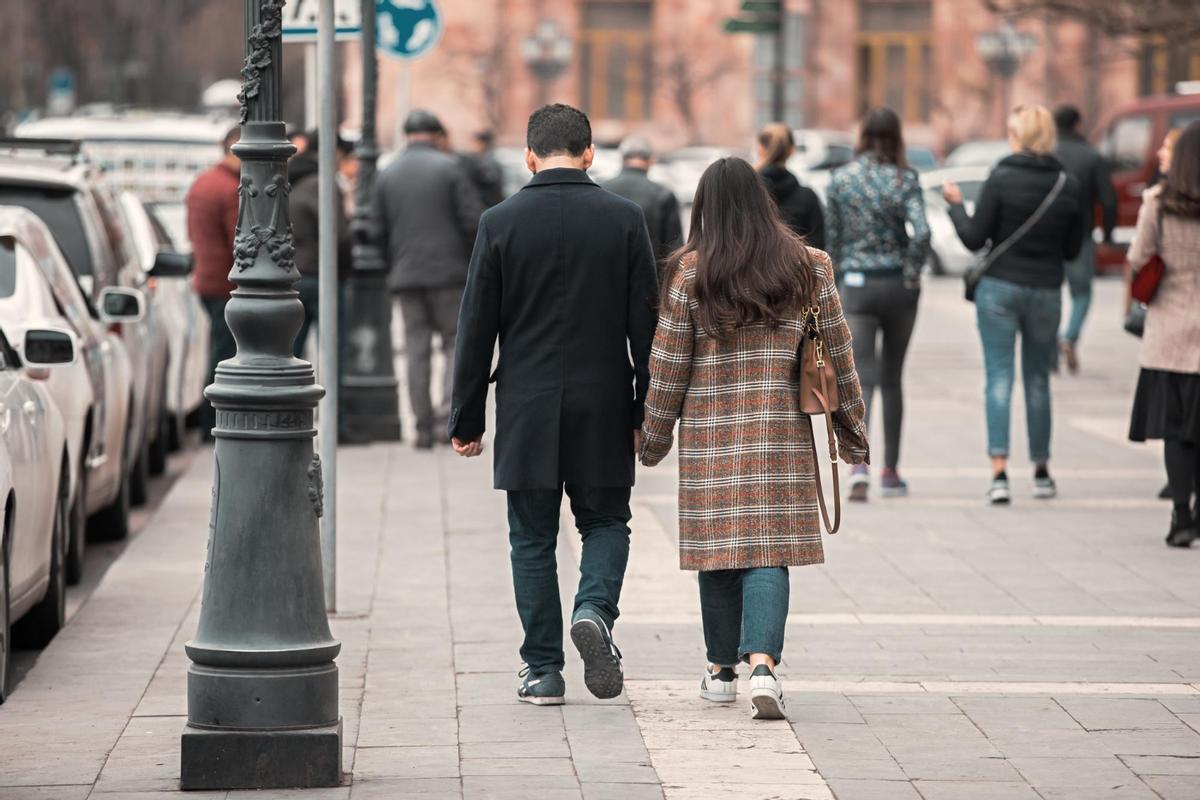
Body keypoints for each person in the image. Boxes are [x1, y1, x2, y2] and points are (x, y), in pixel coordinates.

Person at [639, 157, 868, 721]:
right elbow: (838, 353)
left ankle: (720, 672)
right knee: (769, 551)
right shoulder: (808, 266)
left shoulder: (690, 272)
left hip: (711, 435)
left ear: (704, 208)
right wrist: (853, 432)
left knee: (717, 550)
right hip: (780, 433)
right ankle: (764, 667)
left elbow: (668, 363)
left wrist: (653, 437)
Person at [449, 104, 658, 706]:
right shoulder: (624, 219)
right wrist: (647, 410)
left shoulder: (499, 221)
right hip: (604, 399)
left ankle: (542, 670)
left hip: (527, 403)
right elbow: (646, 328)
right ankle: (593, 609)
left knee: (532, 538)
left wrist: (467, 417)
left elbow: (475, 328)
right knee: (605, 521)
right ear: (590, 153)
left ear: (529, 156)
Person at [944, 105, 1082, 504]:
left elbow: (973, 237)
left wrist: (955, 204)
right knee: (1038, 380)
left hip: (1000, 288)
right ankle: (1041, 471)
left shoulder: (1001, 178)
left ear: (1019, 136)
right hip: (1046, 291)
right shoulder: (1066, 183)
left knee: (999, 378)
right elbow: (1073, 250)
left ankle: (1000, 473)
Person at [826, 107, 929, 501]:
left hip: (856, 285)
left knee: (861, 379)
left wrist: (837, 280)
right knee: (892, 378)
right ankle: (891, 470)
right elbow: (921, 231)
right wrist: (911, 271)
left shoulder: (840, 180)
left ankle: (859, 466)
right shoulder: (905, 178)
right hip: (898, 286)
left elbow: (832, 240)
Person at [375, 110, 484, 449]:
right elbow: (473, 221)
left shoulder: (387, 173)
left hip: (406, 276)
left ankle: (421, 427)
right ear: (437, 135)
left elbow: (376, 228)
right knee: (454, 345)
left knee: (415, 350)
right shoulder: (450, 169)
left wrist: (394, 265)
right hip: (449, 275)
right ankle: (444, 422)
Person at [1127, 121, 1200, 547]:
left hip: (1169, 332)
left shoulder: (1158, 202)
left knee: (1176, 432)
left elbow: (1138, 255)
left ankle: (1181, 516)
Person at [185, 125, 240, 441]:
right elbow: (240, 240)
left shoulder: (203, 183)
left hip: (207, 279)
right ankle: (213, 422)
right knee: (224, 355)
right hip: (224, 283)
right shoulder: (229, 188)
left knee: (218, 351)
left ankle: (209, 421)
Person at [1053, 105, 1117, 373]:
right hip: (1081, 235)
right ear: (1078, 124)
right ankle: (1069, 336)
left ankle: (1050, 344)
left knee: (1050, 292)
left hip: (1050, 235)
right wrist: (1108, 234)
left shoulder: (1049, 154)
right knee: (1082, 293)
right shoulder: (1092, 157)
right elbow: (1109, 200)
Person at [290, 130, 354, 359]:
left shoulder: (293, 178)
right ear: (333, 152)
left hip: (294, 274)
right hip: (322, 276)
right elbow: (339, 234)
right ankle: (331, 396)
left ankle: (291, 395)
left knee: (293, 349)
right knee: (334, 350)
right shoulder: (322, 183)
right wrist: (345, 270)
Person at [604, 134, 684, 264]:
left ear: (622, 158)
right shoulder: (663, 194)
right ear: (651, 160)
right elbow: (674, 249)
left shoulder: (601, 189)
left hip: (607, 275)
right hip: (651, 277)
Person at [756, 123, 825, 249]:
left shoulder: (746, 194)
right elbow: (818, 248)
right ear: (791, 151)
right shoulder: (808, 198)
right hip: (796, 267)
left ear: (759, 148)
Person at [463, 130, 506, 208]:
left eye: (475, 143)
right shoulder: (485, 158)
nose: (473, 146)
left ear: (482, 143)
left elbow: (490, 180)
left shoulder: (486, 161)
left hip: (489, 204)